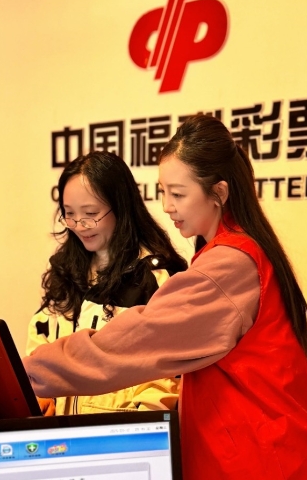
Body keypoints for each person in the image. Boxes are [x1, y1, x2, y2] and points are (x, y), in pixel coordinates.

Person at [23, 115, 307, 480]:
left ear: (218, 192)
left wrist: (25, 373)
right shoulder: (230, 251)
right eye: (162, 192)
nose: (167, 206)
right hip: (251, 473)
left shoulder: (223, 266)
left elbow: (132, 343)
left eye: (177, 193)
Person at [26, 150, 187, 415]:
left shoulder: (153, 277)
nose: (80, 225)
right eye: (69, 214)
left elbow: (165, 379)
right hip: (61, 432)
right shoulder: (66, 268)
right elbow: (41, 341)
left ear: (121, 207)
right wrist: (38, 392)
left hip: (118, 432)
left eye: (90, 213)